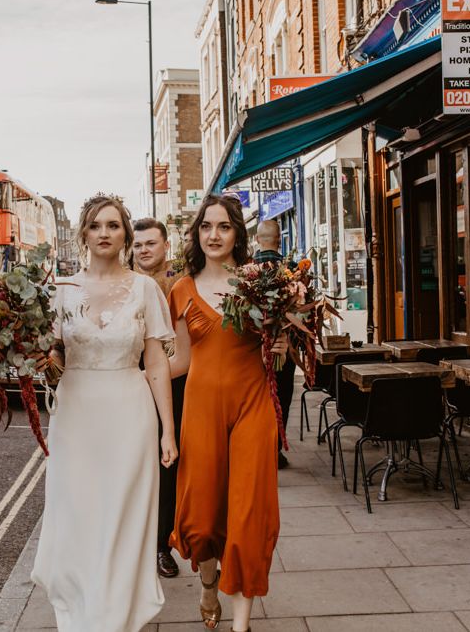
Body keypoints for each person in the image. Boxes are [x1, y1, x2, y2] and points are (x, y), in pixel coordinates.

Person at [31, 194, 178, 632]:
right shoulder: (60, 291)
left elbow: (155, 364)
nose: (105, 234)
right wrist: (42, 363)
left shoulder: (145, 289)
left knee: (121, 513)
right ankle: (82, 605)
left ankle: (113, 614)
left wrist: (168, 431)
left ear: (125, 236)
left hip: (129, 415)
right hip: (76, 415)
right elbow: (54, 359)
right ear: (84, 234)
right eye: (96, 226)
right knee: (78, 513)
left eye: (113, 226)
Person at [168, 194, 287, 632]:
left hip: (253, 405)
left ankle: (242, 624)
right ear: (197, 234)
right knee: (201, 516)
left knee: (250, 511)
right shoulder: (179, 289)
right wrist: (128, 377)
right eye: (206, 227)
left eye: (223, 226)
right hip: (200, 409)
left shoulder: (261, 283)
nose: (214, 235)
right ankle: (207, 582)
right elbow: (179, 361)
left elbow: (276, 356)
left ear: (237, 233)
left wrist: (283, 346)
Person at [133, 217, 185, 579]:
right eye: (137, 245)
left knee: (168, 469)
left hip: (173, 384)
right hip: (131, 387)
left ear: (166, 245)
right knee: (133, 468)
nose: (143, 250)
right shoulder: (126, 284)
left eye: (150, 243)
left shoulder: (179, 283)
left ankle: (161, 548)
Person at [253, 219, 296, 469]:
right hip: (285, 350)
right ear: (280, 240)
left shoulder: (247, 271)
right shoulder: (292, 269)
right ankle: (275, 450)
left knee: (259, 400)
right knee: (282, 397)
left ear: (257, 240)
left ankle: (259, 448)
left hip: (255, 352)